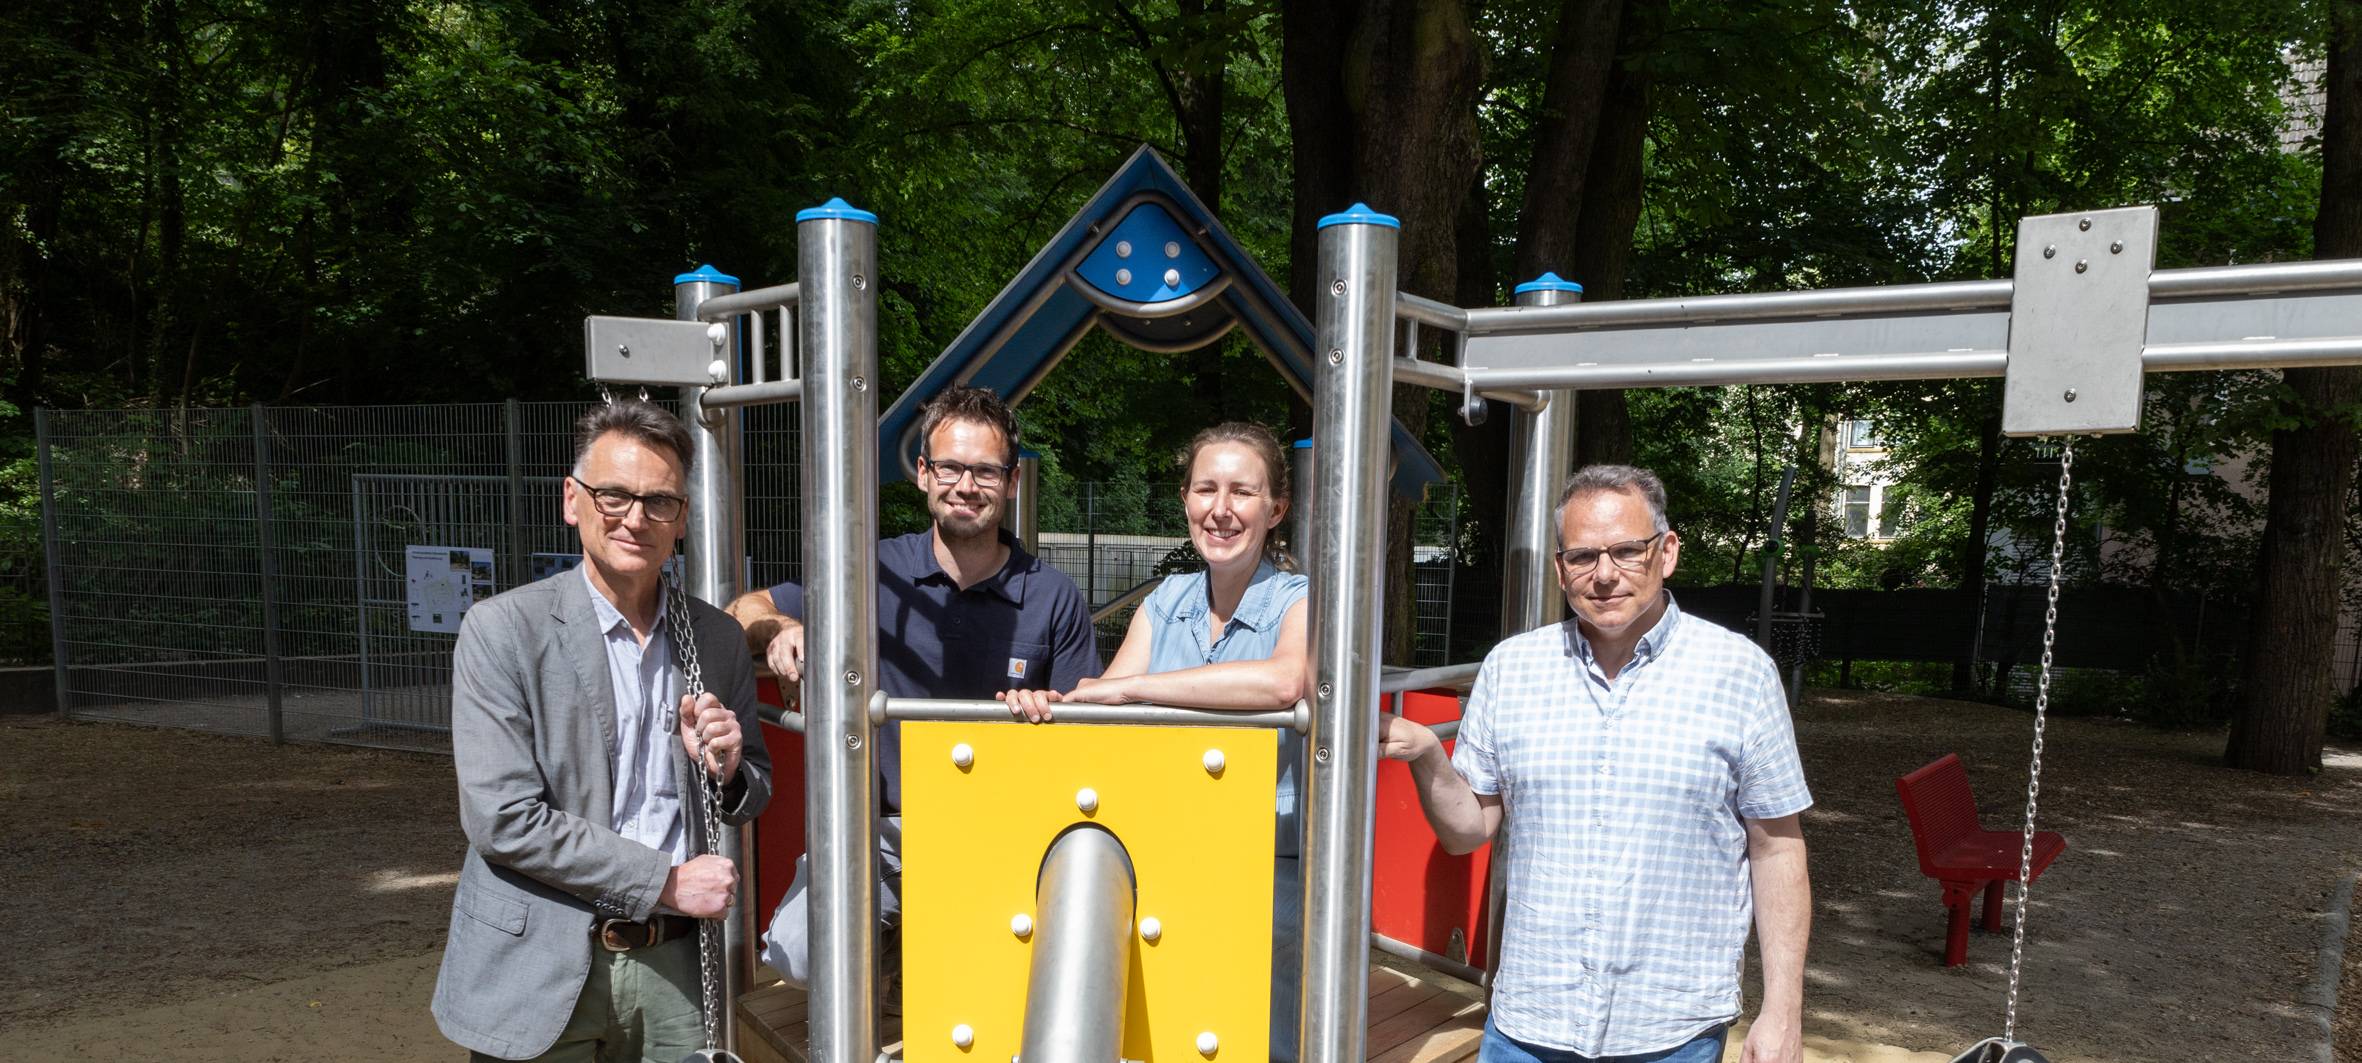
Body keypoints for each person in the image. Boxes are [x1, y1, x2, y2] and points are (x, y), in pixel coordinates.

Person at [1379, 464, 1811, 1063]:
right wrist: (1427, 754)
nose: (1604, 574)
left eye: (1627, 551)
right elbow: (1468, 832)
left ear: (1667, 553)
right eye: (1583, 557)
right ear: (1560, 569)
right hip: (1528, 1020)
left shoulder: (1740, 673)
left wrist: (1784, 1009)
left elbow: (1777, 848)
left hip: (1670, 1027)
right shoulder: (1512, 669)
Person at [433, 399, 773, 1062]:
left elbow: (754, 787)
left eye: (659, 501)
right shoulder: (503, 631)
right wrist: (665, 882)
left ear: (681, 517)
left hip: (675, 967)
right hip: (539, 955)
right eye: (614, 494)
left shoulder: (716, 638)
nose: (635, 518)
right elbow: (503, 819)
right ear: (572, 499)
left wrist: (728, 767)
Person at [731, 385, 1100, 988]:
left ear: (1010, 482)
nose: (966, 485)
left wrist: (1053, 710)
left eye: (985, 470)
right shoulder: (871, 571)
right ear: (924, 475)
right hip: (884, 830)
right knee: (798, 954)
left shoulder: (1051, 594)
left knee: (1045, 969)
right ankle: (906, 962)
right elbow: (744, 609)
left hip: (1007, 827)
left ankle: (923, 965)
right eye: (951, 466)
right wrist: (781, 627)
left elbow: (1088, 727)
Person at [1000, 421, 1310, 1062]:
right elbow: (1103, 703)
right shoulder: (1169, 599)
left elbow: (1283, 682)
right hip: (1164, 844)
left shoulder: (1301, 599)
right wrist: (1044, 704)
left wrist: (1133, 689)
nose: (1220, 509)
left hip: (1268, 857)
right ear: (1186, 501)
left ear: (1275, 508)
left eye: (1242, 493)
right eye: (1206, 489)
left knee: (1262, 1019)